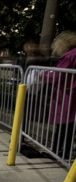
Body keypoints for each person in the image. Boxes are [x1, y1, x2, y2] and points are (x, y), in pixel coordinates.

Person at [48, 31, 76, 159]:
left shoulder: (69, 56)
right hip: (71, 93)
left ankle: (57, 151)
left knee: (63, 123)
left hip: (67, 94)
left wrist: (44, 75)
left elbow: (57, 76)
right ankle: (65, 152)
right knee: (70, 125)